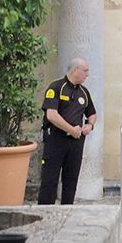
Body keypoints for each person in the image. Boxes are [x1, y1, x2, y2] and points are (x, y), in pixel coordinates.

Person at [38, 57, 97, 205]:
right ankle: (45, 211)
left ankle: (67, 209)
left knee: (71, 180)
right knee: (50, 179)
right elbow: (51, 115)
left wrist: (89, 126)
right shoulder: (56, 87)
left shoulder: (84, 92)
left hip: (76, 142)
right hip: (56, 140)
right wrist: (71, 130)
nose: (87, 74)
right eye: (85, 71)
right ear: (75, 70)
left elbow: (92, 114)